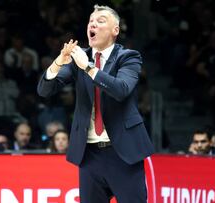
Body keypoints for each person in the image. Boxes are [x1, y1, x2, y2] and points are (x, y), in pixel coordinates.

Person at [37, 5, 154, 203]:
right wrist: (59, 61)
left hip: (123, 152)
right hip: (89, 153)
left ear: (115, 30)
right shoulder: (79, 58)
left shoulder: (128, 57)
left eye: (100, 21)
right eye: (91, 21)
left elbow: (121, 89)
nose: (93, 24)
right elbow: (44, 90)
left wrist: (89, 68)